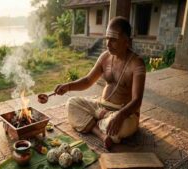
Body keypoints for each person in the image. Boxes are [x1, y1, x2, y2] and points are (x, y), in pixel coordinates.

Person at [54, 16, 146, 149]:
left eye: (113, 40)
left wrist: (120, 115)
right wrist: (67, 87)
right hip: (100, 107)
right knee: (71, 104)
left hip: (123, 112)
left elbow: (137, 100)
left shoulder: (137, 64)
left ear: (127, 41)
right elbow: (87, 80)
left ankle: (94, 124)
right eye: (107, 39)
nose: (108, 44)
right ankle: (101, 133)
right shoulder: (105, 57)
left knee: (121, 127)